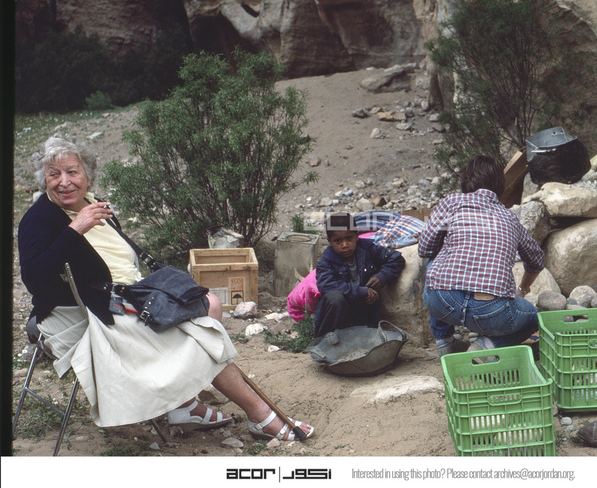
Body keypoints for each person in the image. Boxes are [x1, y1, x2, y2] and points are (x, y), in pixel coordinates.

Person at [17, 135, 313, 441]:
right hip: (84, 314)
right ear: (44, 180)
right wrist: (75, 229)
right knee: (199, 335)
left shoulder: (95, 205)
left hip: (124, 295)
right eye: (54, 174)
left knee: (209, 304)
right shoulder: (39, 220)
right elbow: (34, 278)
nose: (64, 182)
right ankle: (260, 416)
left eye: (72, 172)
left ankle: (184, 405)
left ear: (88, 176)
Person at [418, 155, 544, 356]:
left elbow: (424, 249)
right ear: (500, 185)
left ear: (466, 180)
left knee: (436, 253)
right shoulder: (510, 218)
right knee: (534, 319)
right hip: (492, 311)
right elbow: (536, 260)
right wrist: (522, 289)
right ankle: (486, 345)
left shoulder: (451, 202)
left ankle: (444, 340)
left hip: (441, 300)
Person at [313, 212, 405, 337]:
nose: (345, 245)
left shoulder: (368, 249)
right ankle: (326, 340)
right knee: (335, 298)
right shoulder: (326, 261)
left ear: (356, 235)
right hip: (338, 317)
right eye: (338, 241)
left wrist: (382, 276)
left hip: (364, 313)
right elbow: (326, 285)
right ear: (329, 241)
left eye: (349, 238)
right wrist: (361, 291)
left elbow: (396, 259)